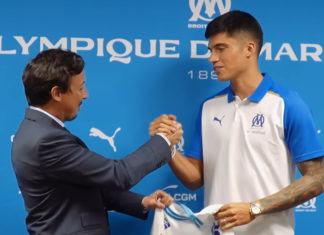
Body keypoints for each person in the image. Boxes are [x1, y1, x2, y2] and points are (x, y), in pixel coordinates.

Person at [149, 10, 324, 235]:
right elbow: (194, 179)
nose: (212, 58)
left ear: (249, 49)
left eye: (221, 49)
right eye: (211, 50)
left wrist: (254, 209)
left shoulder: (287, 103)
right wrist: (167, 146)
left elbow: (317, 178)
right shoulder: (209, 107)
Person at [11, 48, 183, 235]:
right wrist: (164, 140)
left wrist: (141, 202)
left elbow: (83, 188)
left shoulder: (36, 130)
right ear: (57, 93)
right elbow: (119, 174)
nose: (85, 95)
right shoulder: (46, 139)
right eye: (80, 88)